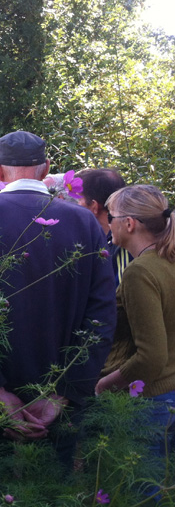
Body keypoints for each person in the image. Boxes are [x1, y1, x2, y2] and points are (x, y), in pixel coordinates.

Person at [0, 131, 116, 465]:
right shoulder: (83, 221)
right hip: (59, 398)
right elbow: (102, 315)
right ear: (47, 169)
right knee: (56, 491)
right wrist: (64, 393)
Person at [95, 185, 175, 462]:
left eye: (111, 218)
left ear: (128, 224)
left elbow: (151, 357)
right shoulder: (167, 260)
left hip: (150, 402)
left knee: (140, 492)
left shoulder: (140, 272)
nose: (107, 225)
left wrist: (103, 386)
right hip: (169, 395)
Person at [76, 168, 131, 286]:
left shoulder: (122, 242)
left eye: (80, 199)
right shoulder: (103, 237)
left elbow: (119, 294)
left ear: (94, 206)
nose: (77, 204)